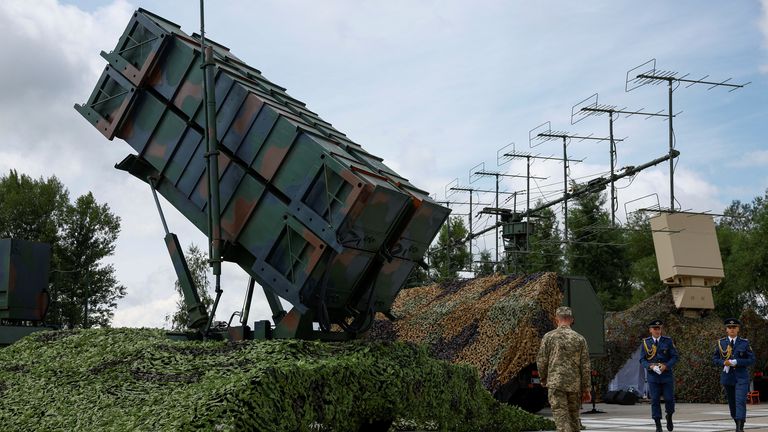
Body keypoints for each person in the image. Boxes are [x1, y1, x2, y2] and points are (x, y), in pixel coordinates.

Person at [537, 306, 591, 432]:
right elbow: (585, 366)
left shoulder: (549, 337)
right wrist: (586, 389)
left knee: (561, 419)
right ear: (571, 319)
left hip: (556, 383)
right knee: (574, 419)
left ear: (556, 319)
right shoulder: (580, 339)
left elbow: (541, 361)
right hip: (574, 385)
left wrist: (543, 378)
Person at [712, 318, 755, 432]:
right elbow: (715, 359)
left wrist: (738, 362)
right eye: (729, 327)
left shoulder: (744, 343)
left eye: (734, 327)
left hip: (741, 377)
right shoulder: (721, 343)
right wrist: (723, 362)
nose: (732, 329)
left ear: (738, 329)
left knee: (740, 401)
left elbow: (751, 359)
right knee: (732, 403)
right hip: (728, 377)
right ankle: (737, 422)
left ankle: (739, 428)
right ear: (726, 329)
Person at [639, 319, 678, 432]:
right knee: (655, 400)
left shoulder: (668, 341)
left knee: (669, 399)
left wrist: (666, 366)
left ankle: (669, 416)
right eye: (655, 329)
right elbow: (642, 359)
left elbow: (675, 357)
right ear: (650, 330)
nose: (657, 331)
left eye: (659, 328)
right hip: (653, 376)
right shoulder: (646, 343)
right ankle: (658, 425)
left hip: (666, 375)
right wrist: (650, 366)